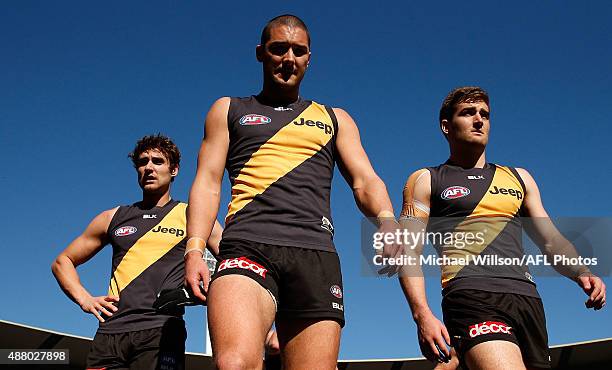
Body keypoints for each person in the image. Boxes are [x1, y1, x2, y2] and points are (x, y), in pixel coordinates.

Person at [183, 14, 397, 370]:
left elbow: (365, 179)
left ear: (309, 58)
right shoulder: (229, 109)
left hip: (315, 254)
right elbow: (207, 181)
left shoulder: (335, 118)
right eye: (278, 49)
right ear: (260, 53)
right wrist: (194, 248)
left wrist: (387, 221)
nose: (288, 59)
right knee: (234, 363)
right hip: (248, 245)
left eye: (298, 51)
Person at [397, 87, 606, 369]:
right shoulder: (426, 180)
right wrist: (422, 314)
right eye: (468, 113)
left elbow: (550, 239)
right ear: (446, 126)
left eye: (484, 114)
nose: (479, 120)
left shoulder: (519, 178)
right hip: (471, 295)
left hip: (528, 299)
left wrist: (582, 272)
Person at [51, 134, 222, 370]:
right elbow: (62, 261)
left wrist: (210, 290)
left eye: (157, 161)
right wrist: (85, 299)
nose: (149, 168)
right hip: (110, 333)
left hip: (162, 330)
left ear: (174, 170)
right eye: (143, 162)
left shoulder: (194, 215)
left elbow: (233, 260)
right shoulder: (112, 217)